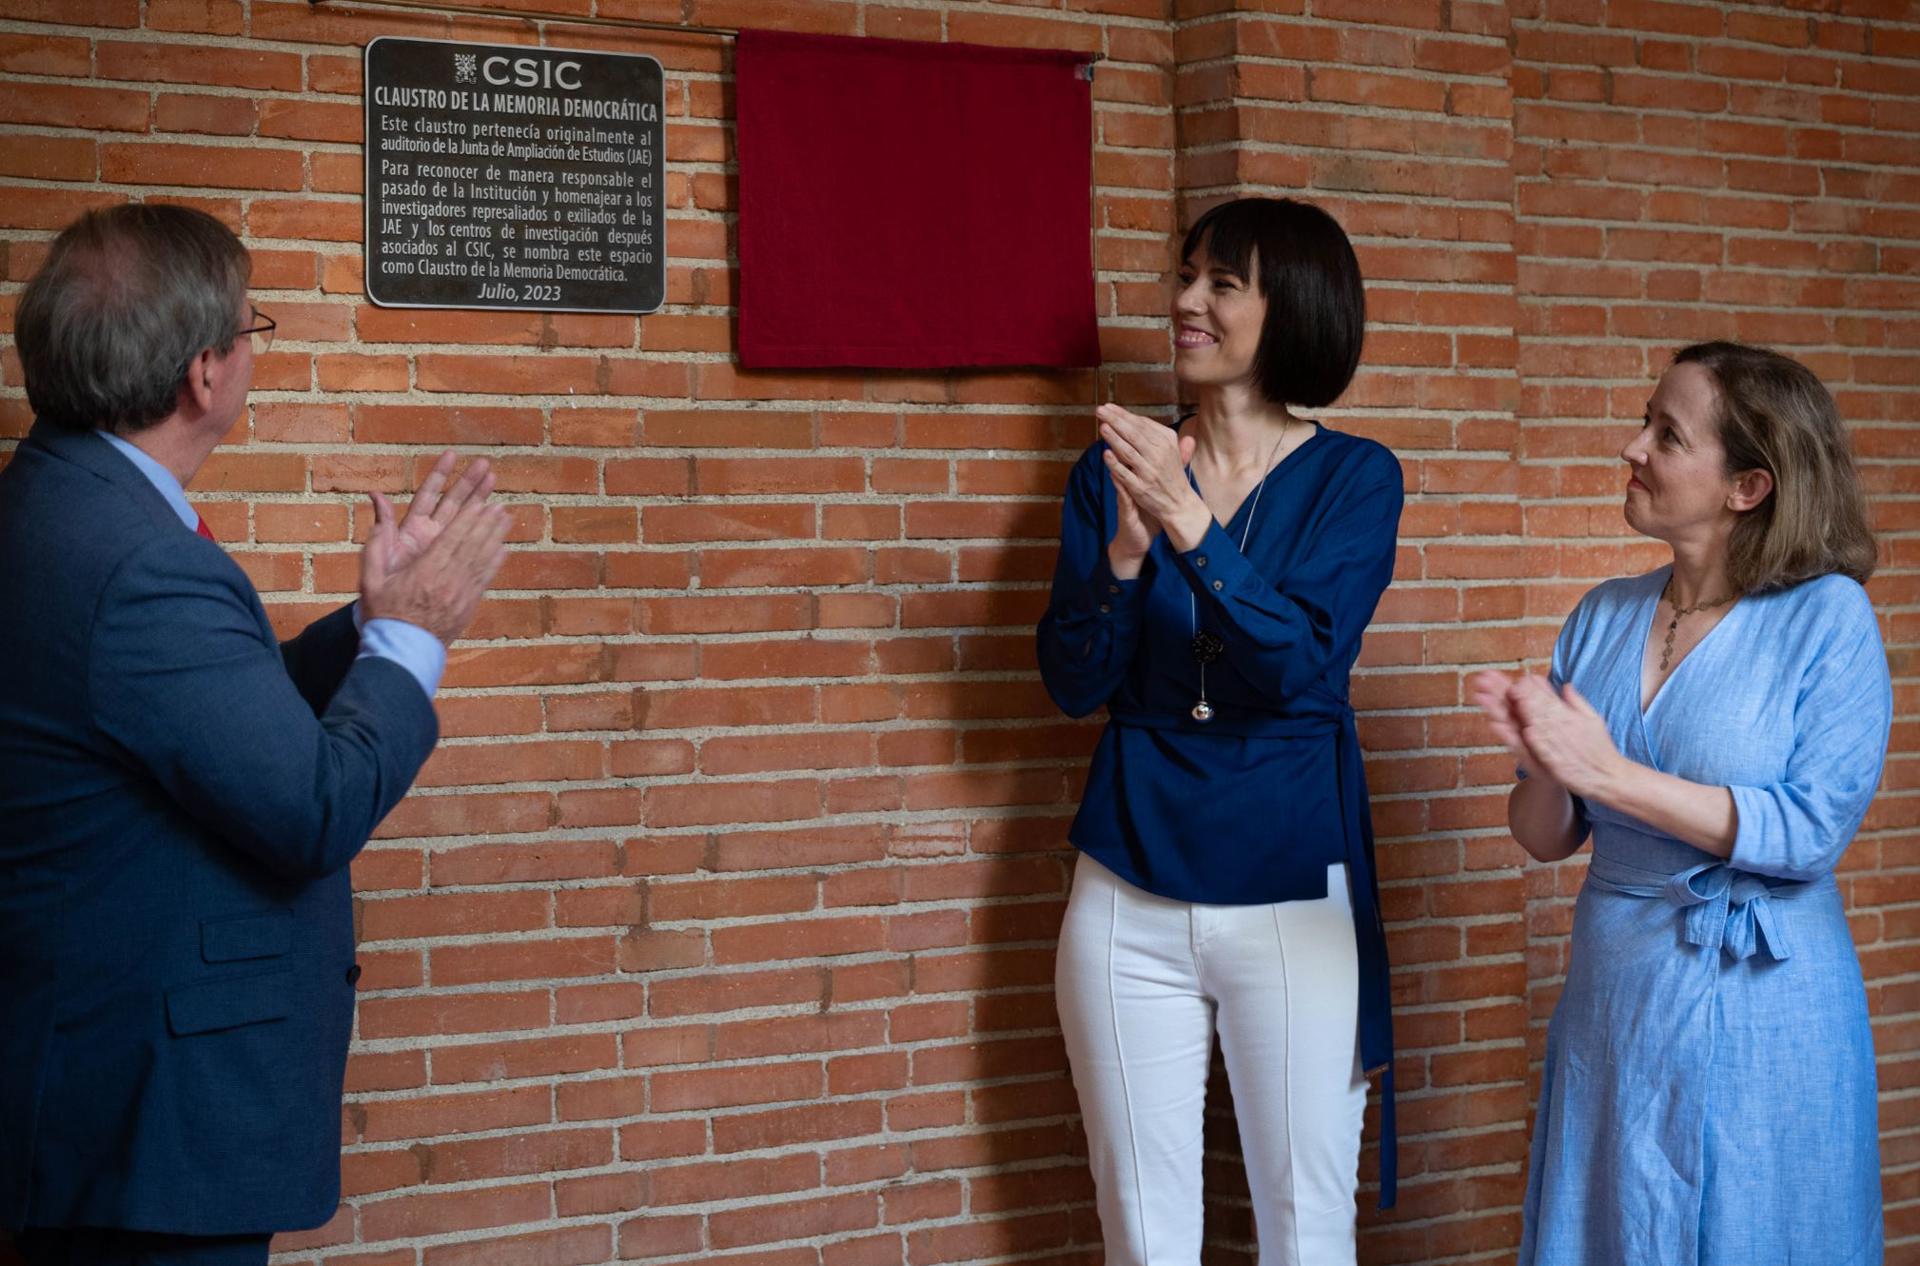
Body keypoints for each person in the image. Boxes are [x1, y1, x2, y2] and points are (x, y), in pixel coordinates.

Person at [0, 204, 510, 1266]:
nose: (248, 356)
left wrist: (370, 624)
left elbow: (195, 724)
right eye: (250, 329)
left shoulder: (61, 502)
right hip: (149, 1132)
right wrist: (414, 644)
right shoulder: (141, 558)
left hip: (93, 1096)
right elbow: (311, 806)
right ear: (204, 371)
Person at [1036, 196, 1405, 1265]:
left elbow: (1301, 666)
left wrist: (1188, 526)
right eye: (1187, 275)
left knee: (1306, 1229)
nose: (1187, 302)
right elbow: (1071, 682)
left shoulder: (1355, 477)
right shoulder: (1113, 474)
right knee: (1141, 1234)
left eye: (1222, 282)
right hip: (1126, 874)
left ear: (1290, 310)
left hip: (1292, 878)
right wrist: (1121, 554)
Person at [1469, 342, 1889, 1265]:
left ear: (1748, 486)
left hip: (1766, 997)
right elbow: (1543, 838)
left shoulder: (1829, 618)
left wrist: (1610, 773)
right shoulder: (1602, 613)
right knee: (1614, 1228)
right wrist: (1544, 759)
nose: (1633, 446)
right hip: (1616, 997)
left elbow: (1810, 831)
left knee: (1758, 1228)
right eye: (1644, 423)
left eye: (1667, 433)